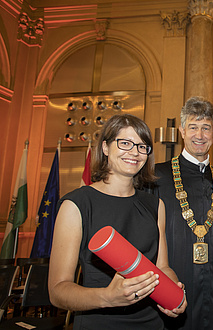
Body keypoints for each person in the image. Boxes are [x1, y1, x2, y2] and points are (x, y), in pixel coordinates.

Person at [49, 114, 186, 329]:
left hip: (151, 323)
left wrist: (175, 294)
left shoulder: (155, 205)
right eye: (125, 143)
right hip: (99, 321)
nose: (134, 152)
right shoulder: (76, 204)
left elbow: (163, 267)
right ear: (105, 147)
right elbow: (57, 291)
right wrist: (107, 297)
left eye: (142, 146)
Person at [154, 96, 213, 329]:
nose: (199, 135)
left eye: (206, 128)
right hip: (169, 298)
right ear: (182, 131)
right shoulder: (157, 177)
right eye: (193, 127)